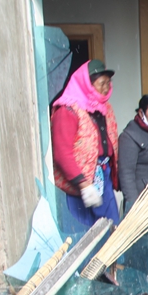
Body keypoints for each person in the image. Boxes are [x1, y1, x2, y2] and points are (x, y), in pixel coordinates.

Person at [51, 59, 120, 227]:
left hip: (104, 175)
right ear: (86, 84)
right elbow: (62, 154)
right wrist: (85, 185)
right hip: (79, 184)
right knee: (86, 234)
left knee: (112, 230)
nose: (106, 88)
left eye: (108, 83)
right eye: (101, 83)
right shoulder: (67, 110)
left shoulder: (104, 108)